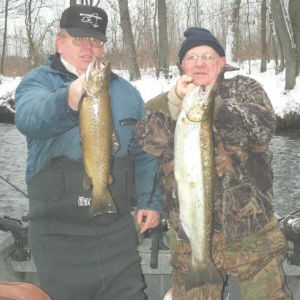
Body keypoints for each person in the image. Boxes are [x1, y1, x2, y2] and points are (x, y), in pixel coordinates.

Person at [15, 5, 162, 300]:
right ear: (60, 43)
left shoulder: (127, 93)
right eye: (78, 39)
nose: (88, 48)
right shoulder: (38, 82)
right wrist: (67, 100)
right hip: (58, 234)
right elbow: (29, 118)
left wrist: (150, 201)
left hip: (116, 232)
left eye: (96, 41)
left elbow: (146, 152)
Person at [135, 27, 292, 300]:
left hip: (251, 231)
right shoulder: (169, 101)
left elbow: (262, 129)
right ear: (181, 66)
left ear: (221, 63)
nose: (199, 63)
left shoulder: (245, 89)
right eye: (191, 57)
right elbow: (149, 141)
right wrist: (174, 102)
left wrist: (210, 105)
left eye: (208, 56)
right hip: (189, 234)